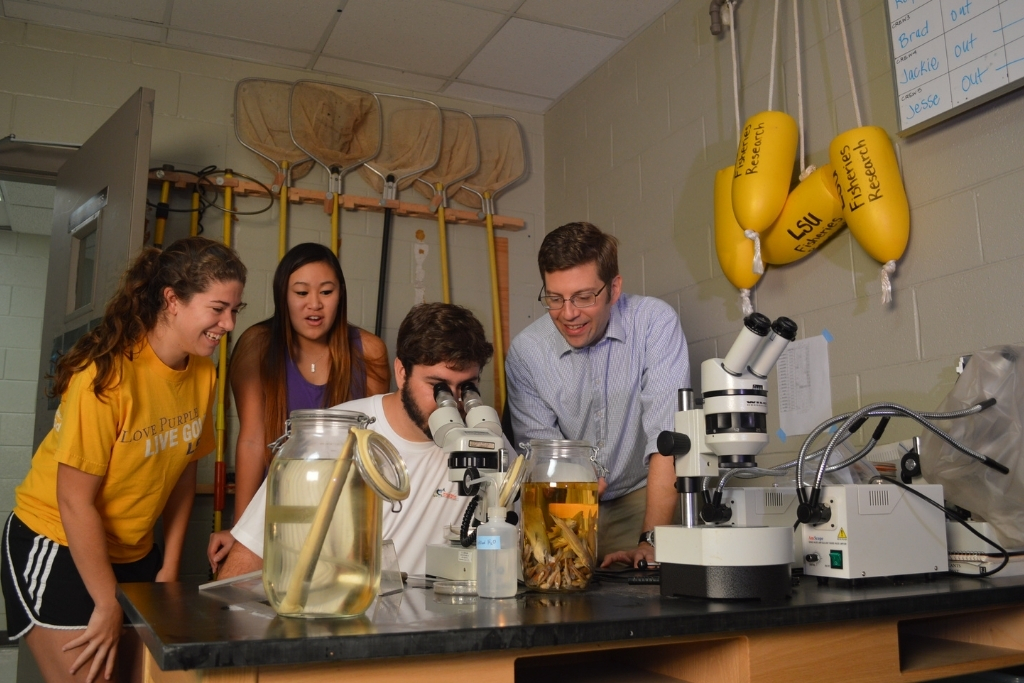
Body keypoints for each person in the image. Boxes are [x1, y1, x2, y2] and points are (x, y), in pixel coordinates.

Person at [1, 237, 246, 683]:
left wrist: (169, 567)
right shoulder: (106, 376)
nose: (228, 323)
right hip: (57, 542)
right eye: (217, 309)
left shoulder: (203, 373)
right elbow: (75, 502)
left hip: (136, 553)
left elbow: (184, 471)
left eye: (235, 310)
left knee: (148, 676)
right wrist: (106, 600)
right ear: (172, 300)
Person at [209, 302, 506, 579]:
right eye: (437, 387)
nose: (452, 403)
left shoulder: (486, 440)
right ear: (401, 373)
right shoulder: (334, 434)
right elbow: (251, 552)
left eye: (466, 387)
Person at [505, 222, 690, 568]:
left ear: (614, 288)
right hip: (568, 501)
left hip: (644, 494)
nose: (569, 313)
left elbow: (667, 444)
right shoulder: (526, 352)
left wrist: (651, 541)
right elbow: (543, 464)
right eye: (555, 299)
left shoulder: (654, 324)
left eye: (584, 297)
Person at [228, 243, 389, 523]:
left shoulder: (369, 350)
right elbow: (252, 441)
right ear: (283, 296)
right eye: (301, 292)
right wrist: (240, 529)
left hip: (345, 515)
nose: (314, 304)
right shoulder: (257, 346)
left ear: (341, 295)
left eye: (326, 292)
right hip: (276, 511)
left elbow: (373, 447)